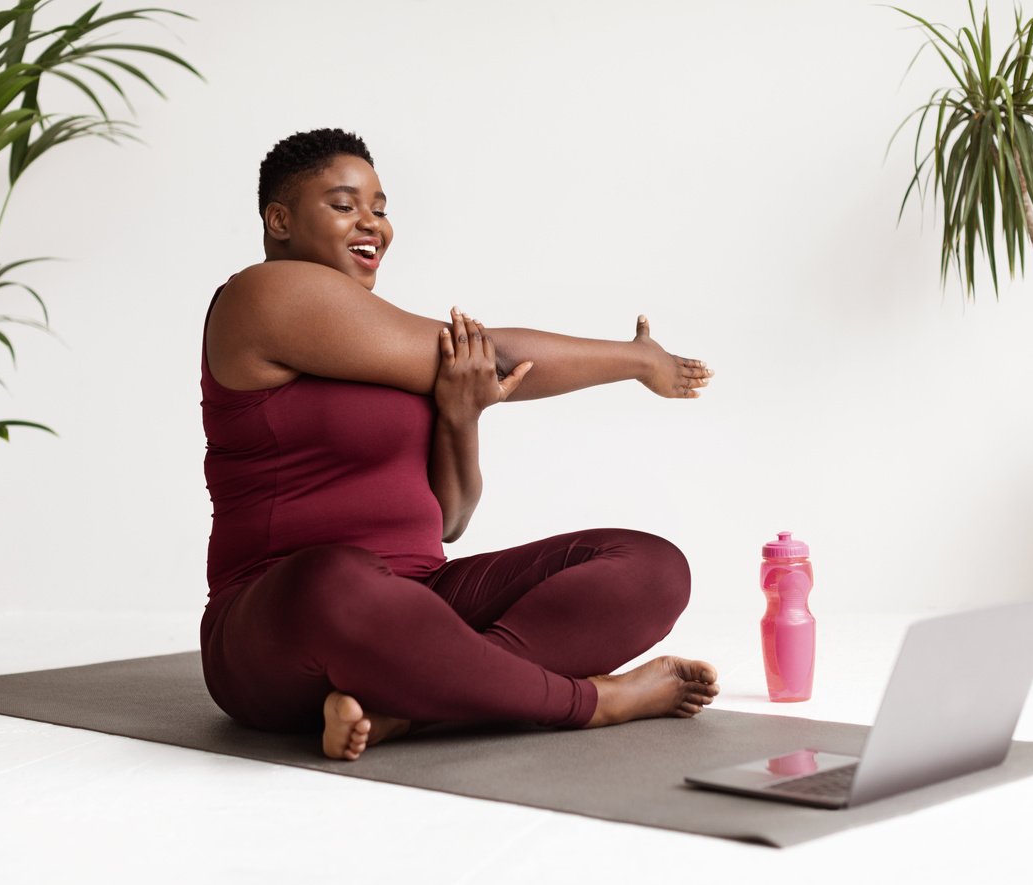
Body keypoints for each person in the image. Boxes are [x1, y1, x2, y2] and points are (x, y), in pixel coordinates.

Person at [200, 128, 720, 761]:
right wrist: (637, 360)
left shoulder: (381, 341)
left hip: (421, 604)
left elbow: (448, 522)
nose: (373, 223)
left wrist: (460, 418)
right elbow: (496, 356)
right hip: (280, 626)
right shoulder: (260, 294)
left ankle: (408, 710)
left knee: (650, 567)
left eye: (381, 207)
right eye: (344, 205)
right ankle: (593, 702)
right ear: (278, 219)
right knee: (338, 578)